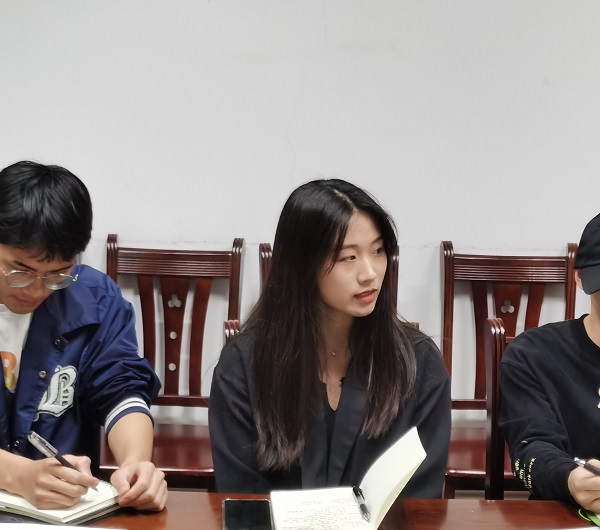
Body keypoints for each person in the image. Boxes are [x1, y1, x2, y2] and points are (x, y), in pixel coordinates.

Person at [209, 179, 451, 496]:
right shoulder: (244, 366)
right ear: (302, 264)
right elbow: (242, 495)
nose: (370, 273)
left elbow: (421, 499)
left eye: (378, 251)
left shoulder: (418, 362)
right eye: (348, 257)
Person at [0, 160, 167, 511]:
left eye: (58, 274)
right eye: (20, 271)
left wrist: (136, 463)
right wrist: (16, 475)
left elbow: (121, 389)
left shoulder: (95, 298)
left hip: (65, 512)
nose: (36, 290)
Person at [499, 211, 600, 511]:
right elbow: (531, 446)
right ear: (579, 277)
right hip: (566, 514)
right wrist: (571, 479)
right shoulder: (534, 355)